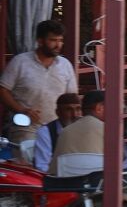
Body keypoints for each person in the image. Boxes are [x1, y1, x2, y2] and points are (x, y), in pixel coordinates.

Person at [0, 19, 78, 161]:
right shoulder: (20, 62)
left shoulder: (65, 65)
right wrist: (22, 110)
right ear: (40, 41)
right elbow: (3, 90)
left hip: (56, 127)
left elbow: (71, 97)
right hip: (26, 126)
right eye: (53, 40)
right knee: (26, 166)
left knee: (55, 167)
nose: (58, 45)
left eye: (60, 40)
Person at [49, 90, 106, 176]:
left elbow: (54, 171)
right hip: (99, 183)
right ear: (99, 108)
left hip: (69, 182)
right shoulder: (110, 131)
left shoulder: (65, 131)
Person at [32, 93, 81, 173]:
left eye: (78, 109)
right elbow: (42, 166)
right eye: (69, 109)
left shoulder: (85, 130)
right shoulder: (46, 132)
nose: (75, 115)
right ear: (58, 112)